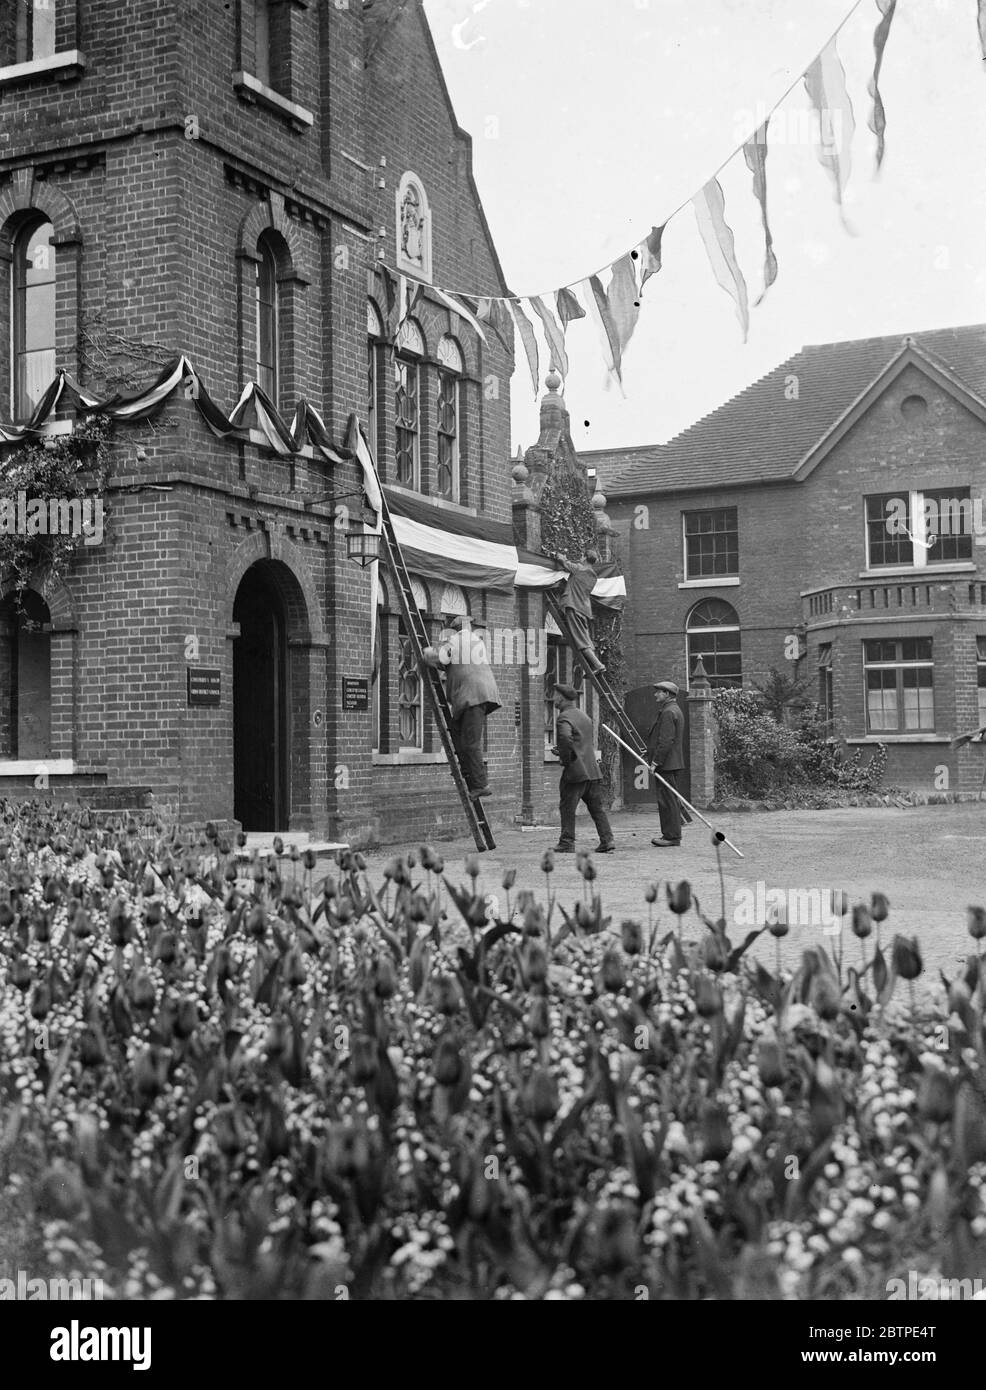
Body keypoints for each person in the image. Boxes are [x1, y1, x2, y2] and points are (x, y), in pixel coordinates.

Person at [424, 615, 500, 801]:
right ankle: (466, 770)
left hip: (472, 696)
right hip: (477, 695)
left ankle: (481, 785)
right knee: (457, 730)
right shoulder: (476, 641)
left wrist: (427, 653)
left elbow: (441, 657)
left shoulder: (457, 640)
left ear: (455, 629)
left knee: (471, 743)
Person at [550, 682, 614, 853]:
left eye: (555, 695)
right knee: (597, 809)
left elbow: (565, 738)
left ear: (562, 698)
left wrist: (565, 758)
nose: (553, 698)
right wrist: (567, 750)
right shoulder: (584, 717)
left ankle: (566, 842)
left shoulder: (564, 717)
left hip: (575, 772)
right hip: (592, 771)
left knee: (567, 807)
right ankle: (607, 840)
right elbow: (581, 743)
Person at [553, 548, 606, 674]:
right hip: (584, 610)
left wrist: (559, 555)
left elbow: (564, 562)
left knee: (581, 640)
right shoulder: (593, 576)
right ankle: (594, 665)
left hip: (574, 607)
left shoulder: (580, 569)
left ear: (584, 558)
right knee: (585, 638)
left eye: (582, 556)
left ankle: (598, 665)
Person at [647, 679, 685, 848]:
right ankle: (671, 834)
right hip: (670, 762)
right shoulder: (671, 709)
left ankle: (671, 836)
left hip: (666, 764)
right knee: (670, 799)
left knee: (667, 800)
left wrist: (656, 761)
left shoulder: (669, 712)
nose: (656, 694)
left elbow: (666, 741)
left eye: (659, 692)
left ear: (667, 694)